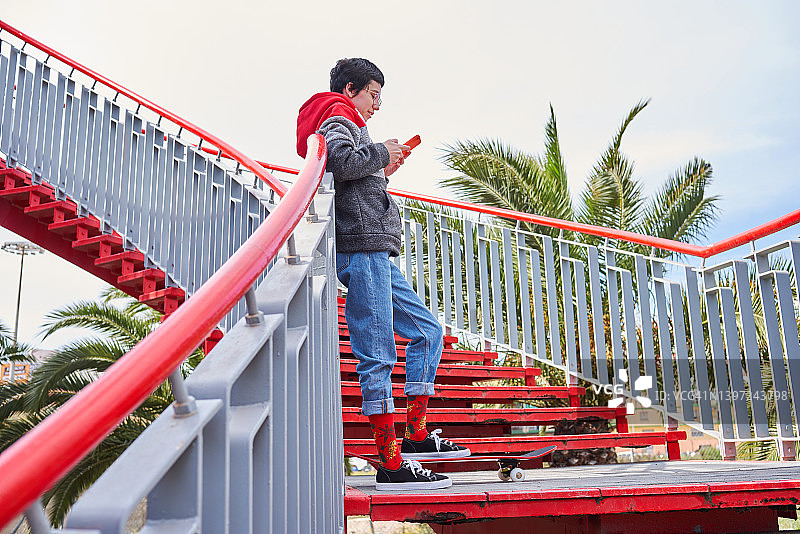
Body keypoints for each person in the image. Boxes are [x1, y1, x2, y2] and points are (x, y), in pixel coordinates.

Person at [296, 58, 470, 490]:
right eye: (374, 94)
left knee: (426, 331)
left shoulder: (349, 118)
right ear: (351, 88)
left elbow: (350, 173)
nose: (378, 104)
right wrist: (379, 153)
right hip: (362, 248)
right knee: (378, 354)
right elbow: (336, 160)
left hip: (375, 250)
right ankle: (390, 463)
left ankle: (413, 437)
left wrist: (383, 166)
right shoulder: (337, 114)